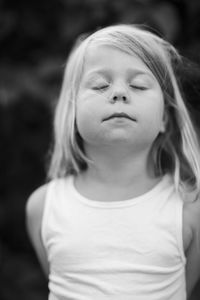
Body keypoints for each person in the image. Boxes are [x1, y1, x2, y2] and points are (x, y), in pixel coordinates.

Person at [26, 24, 200, 300]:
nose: (119, 93)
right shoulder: (44, 206)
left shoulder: (188, 208)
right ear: (73, 112)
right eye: (100, 85)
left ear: (165, 118)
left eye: (139, 85)